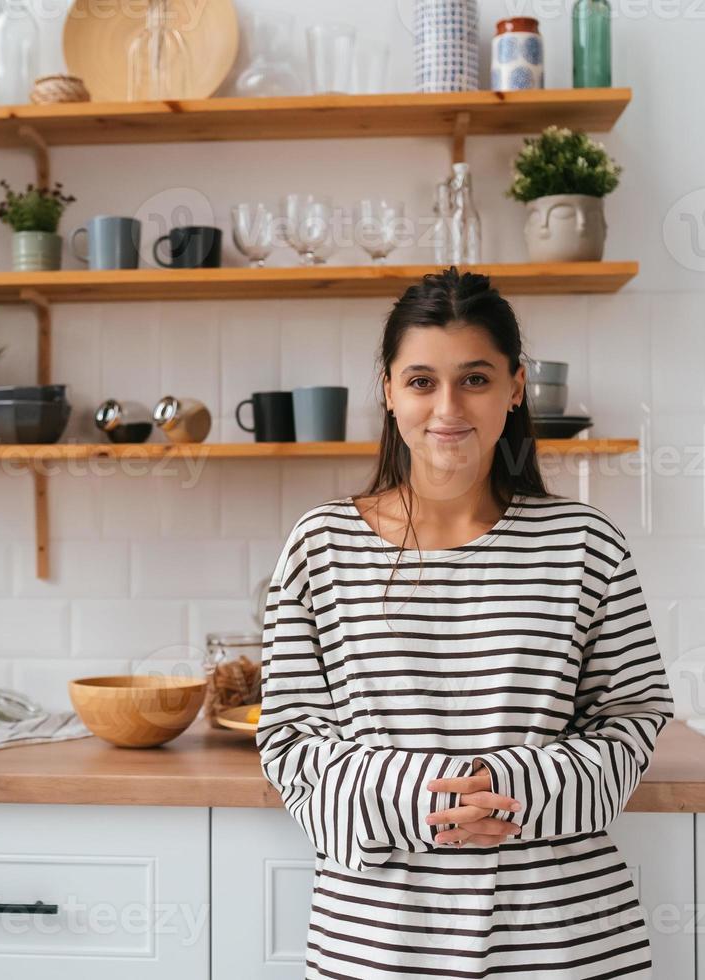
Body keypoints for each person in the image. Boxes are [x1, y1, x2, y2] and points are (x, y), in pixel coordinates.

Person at [257, 266, 675, 979]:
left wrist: (505, 786)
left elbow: (632, 719)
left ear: (515, 387)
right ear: (387, 392)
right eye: (420, 381)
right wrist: (427, 797)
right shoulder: (320, 544)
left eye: (474, 379)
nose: (447, 405)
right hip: (378, 942)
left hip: (563, 938)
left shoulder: (583, 542)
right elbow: (289, 743)